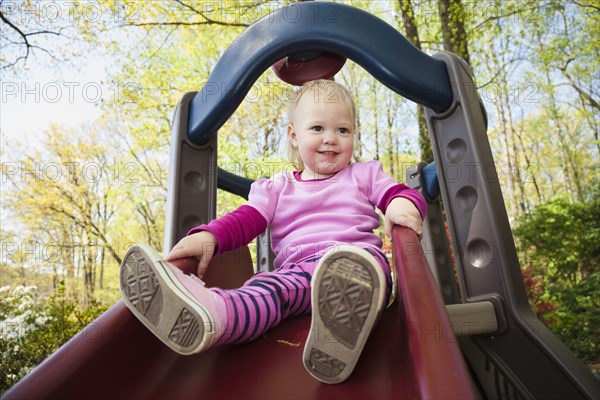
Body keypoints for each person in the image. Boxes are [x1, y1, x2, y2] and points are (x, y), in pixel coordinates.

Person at [120, 79, 426, 384]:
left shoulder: (364, 174)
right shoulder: (278, 187)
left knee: (361, 273)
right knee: (268, 291)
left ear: (353, 136)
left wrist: (401, 204)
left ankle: (344, 323)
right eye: (318, 128)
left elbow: (400, 193)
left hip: (358, 265)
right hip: (300, 274)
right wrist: (210, 235)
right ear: (294, 135)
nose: (331, 138)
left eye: (342, 130)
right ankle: (216, 314)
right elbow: (249, 218)